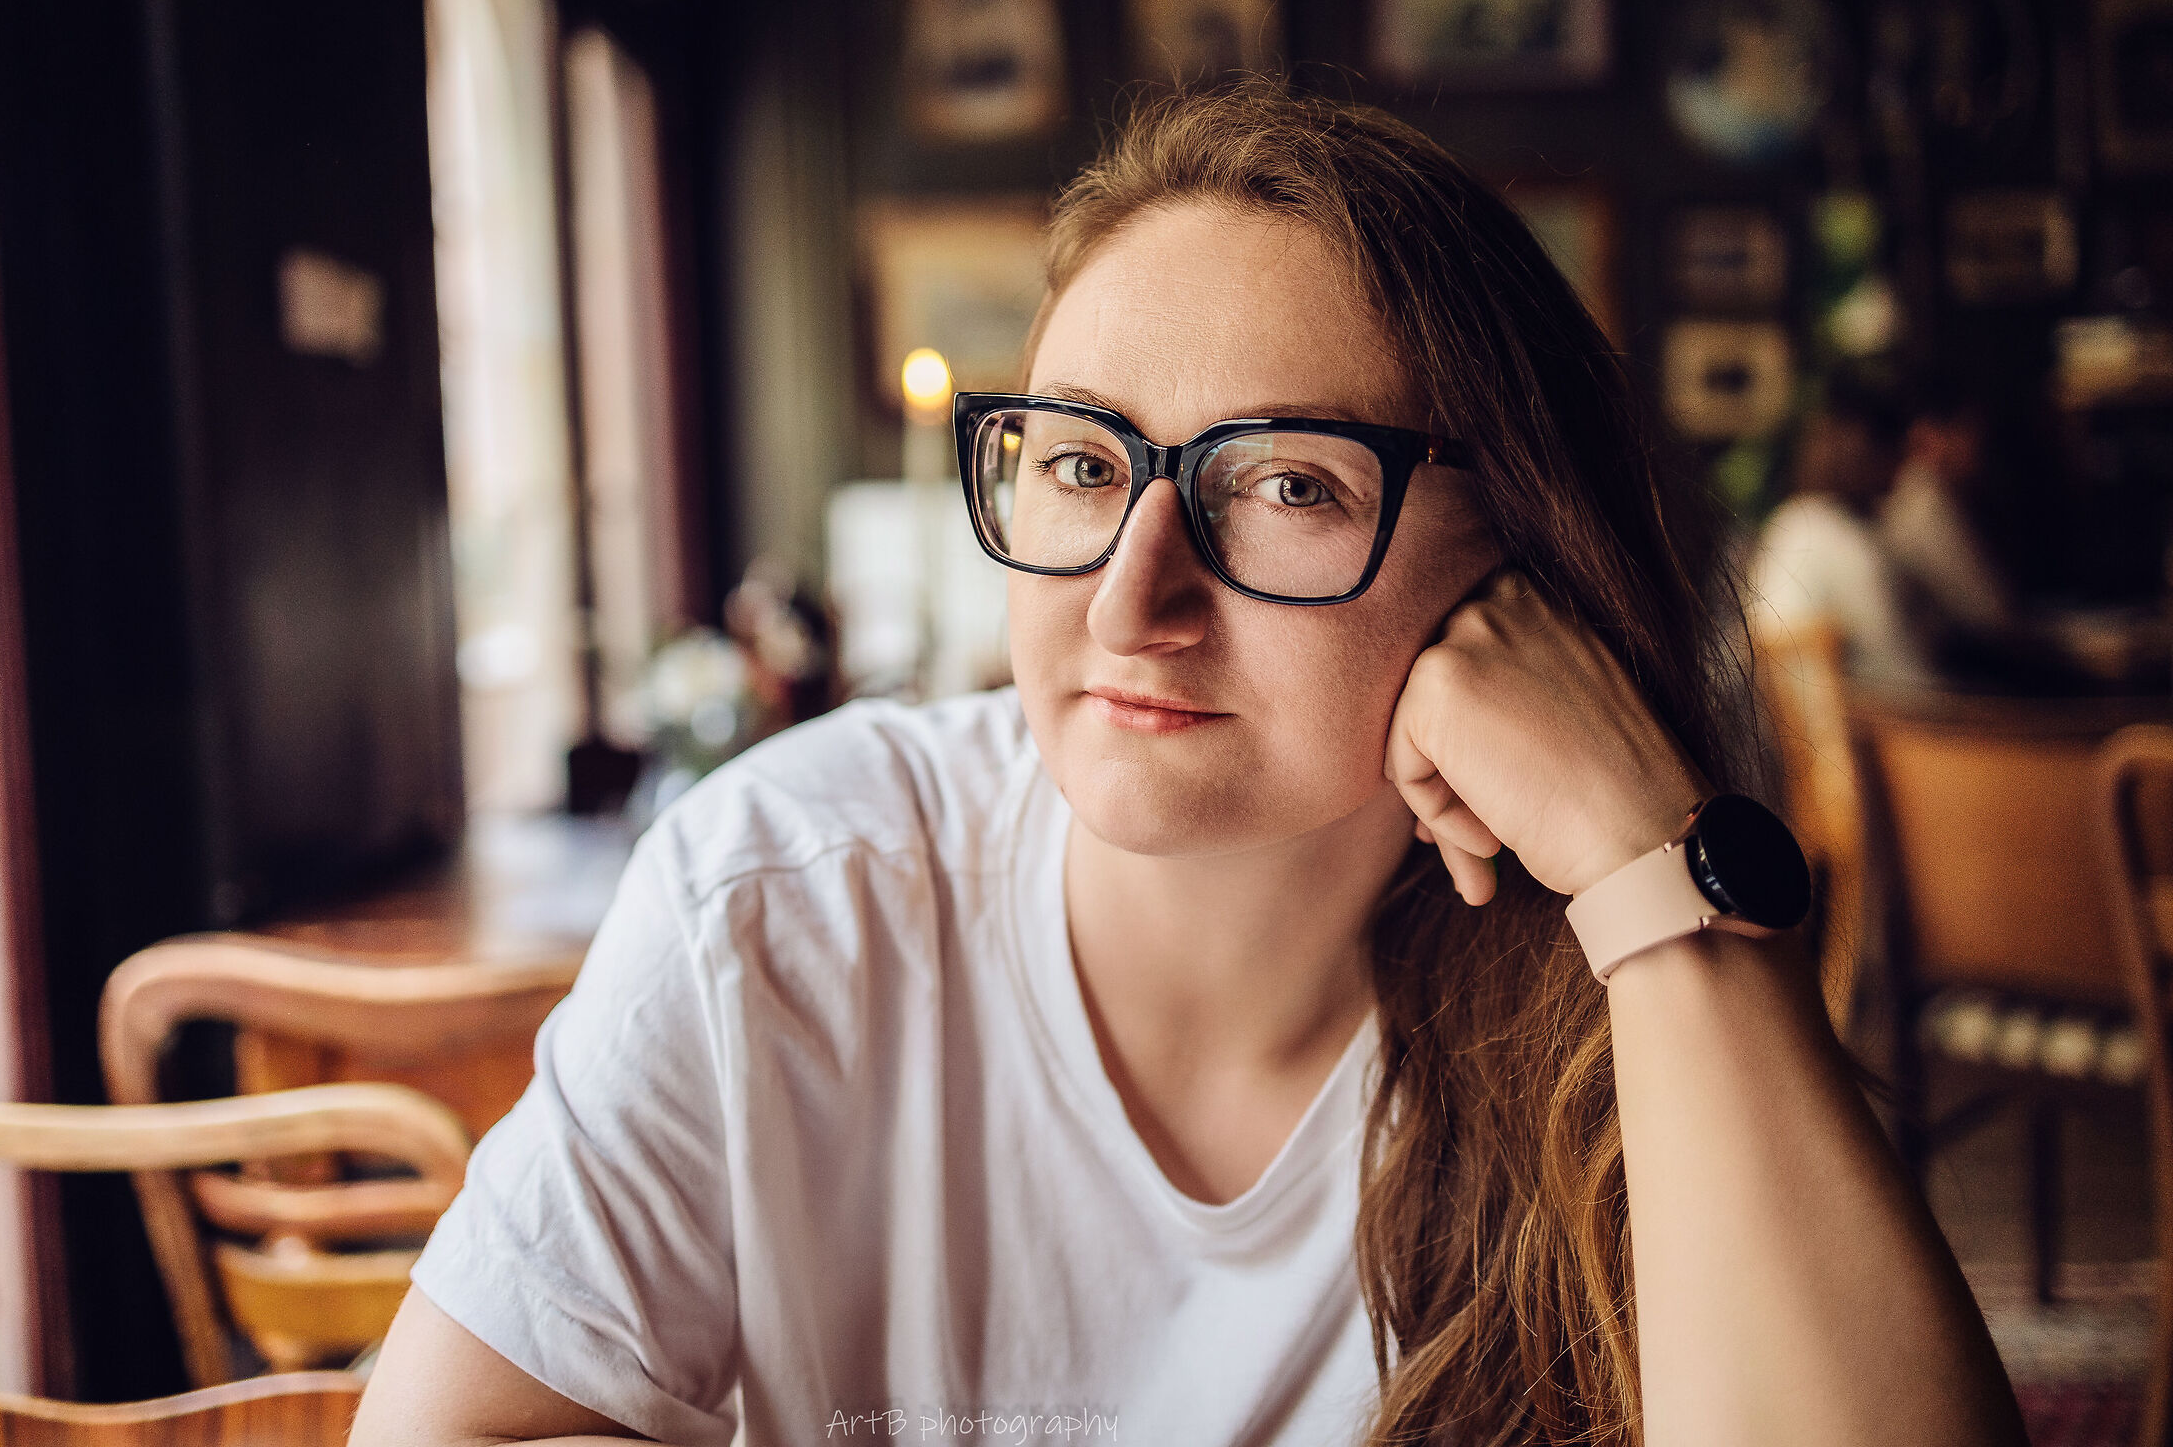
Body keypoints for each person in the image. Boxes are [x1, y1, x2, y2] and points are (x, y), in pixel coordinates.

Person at [354, 85, 2021, 1447]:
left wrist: (1645, 858)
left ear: (1518, 561)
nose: (1132, 599)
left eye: (1289, 485)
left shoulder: (1609, 987)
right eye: (1082, 462)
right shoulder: (787, 896)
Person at [1746, 384, 1938, 689]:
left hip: (1797, 728)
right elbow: (1898, 671)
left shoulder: (1796, 519)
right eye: (1900, 455)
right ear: (1874, 456)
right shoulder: (1838, 538)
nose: (1907, 470)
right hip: (1854, 729)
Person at [1882, 393, 2015, 639]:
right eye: (1968, 434)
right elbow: (1986, 612)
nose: (1976, 450)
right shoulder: (1923, 500)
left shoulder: (1919, 491)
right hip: (1933, 666)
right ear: (1928, 434)